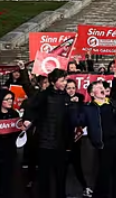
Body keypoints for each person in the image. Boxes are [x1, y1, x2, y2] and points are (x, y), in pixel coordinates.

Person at [23, 69, 77, 198]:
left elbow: (69, 121)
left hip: (60, 143)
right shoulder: (43, 95)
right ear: (53, 82)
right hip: (44, 142)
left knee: (61, 176)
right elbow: (30, 108)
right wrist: (27, 119)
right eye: (62, 80)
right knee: (44, 176)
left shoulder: (66, 97)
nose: (65, 83)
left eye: (65, 80)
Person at [79, 80, 116, 198]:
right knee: (104, 173)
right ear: (92, 93)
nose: (102, 88)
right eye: (98, 87)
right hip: (103, 143)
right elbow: (78, 121)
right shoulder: (89, 108)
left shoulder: (113, 103)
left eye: (102, 86)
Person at [64, 79, 92, 198]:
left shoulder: (80, 101)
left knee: (77, 164)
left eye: (73, 88)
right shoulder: (61, 101)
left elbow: (84, 116)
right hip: (63, 139)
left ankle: (85, 187)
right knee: (62, 167)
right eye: (68, 88)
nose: (71, 90)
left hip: (76, 138)